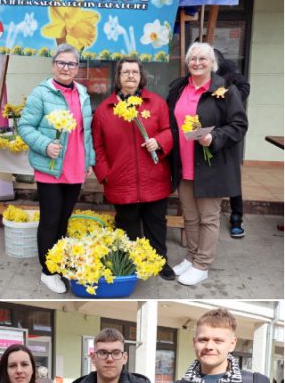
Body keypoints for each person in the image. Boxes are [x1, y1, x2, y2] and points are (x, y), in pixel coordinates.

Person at [165, 42, 248, 286]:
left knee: (208, 218)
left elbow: (239, 125)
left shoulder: (225, 90)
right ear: (187, 62)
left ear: (212, 63)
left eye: (203, 59)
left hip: (212, 165)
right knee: (190, 217)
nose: (197, 63)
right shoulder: (179, 88)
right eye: (193, 59)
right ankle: (191, 258)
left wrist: (214, 137)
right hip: (184, 163)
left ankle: (203, 264)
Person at [17, 44, 95, 294]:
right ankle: (48, 271)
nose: (65, 67)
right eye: (61, 62)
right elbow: (25, 127)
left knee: (64, 220)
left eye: (71, 64)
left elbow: (86, 132)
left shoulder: (82, 92)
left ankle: (59, 263)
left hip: (74, 167)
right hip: (50, 167)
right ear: (53, 65)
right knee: (50, 220)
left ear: (77, 68)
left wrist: (89, 160)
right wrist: (45, 144)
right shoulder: (42, 93)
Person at [92, 57, 176, 280]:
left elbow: (169, 130)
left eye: (135, 72)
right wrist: (105, 175)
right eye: (125, 72)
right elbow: (97, 146)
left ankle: (159, 262)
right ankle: (131, 264)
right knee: (127, 226)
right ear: (118, 78)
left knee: (156, 224)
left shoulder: (156, 103)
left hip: (154, 177)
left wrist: (159, 142)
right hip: (121, 180)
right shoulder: (104, 110)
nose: (130, 76)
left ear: (141, 77)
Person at [213, 48, 250, 239]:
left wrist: (227, 98)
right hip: (204, 128)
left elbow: (244, 88)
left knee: (232, 174)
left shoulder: (228, 67)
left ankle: (236, 216)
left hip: (228, 127)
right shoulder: (193, 69)